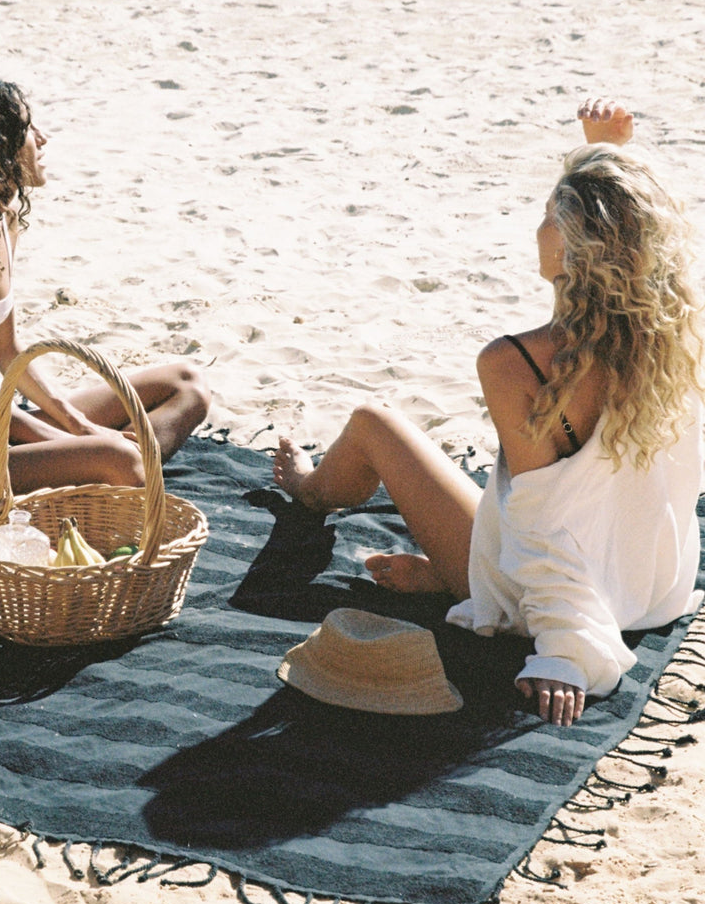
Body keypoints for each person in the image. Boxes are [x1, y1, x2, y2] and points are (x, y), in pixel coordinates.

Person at [272, 100, 704, 726]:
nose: (538, 229)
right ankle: (449, 577)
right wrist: (610, 150)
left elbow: (539, 525)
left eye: (548, 216)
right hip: (651, 585)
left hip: (565, 600)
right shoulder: (675, 334)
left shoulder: (517, 363)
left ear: (576, 247)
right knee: (519, 495)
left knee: (372, 424)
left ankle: (309, 494)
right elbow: (649, 225)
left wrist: (565, 651)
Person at [0, 76, 210, 523]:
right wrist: (87, 439)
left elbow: (10, 352)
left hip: (3, 430)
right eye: (27, 130)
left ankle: (107, 474)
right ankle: (117, 473)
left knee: (188, 383)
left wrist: (79, 427)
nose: (42, 139)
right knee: (121, 459)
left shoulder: (1, 222)